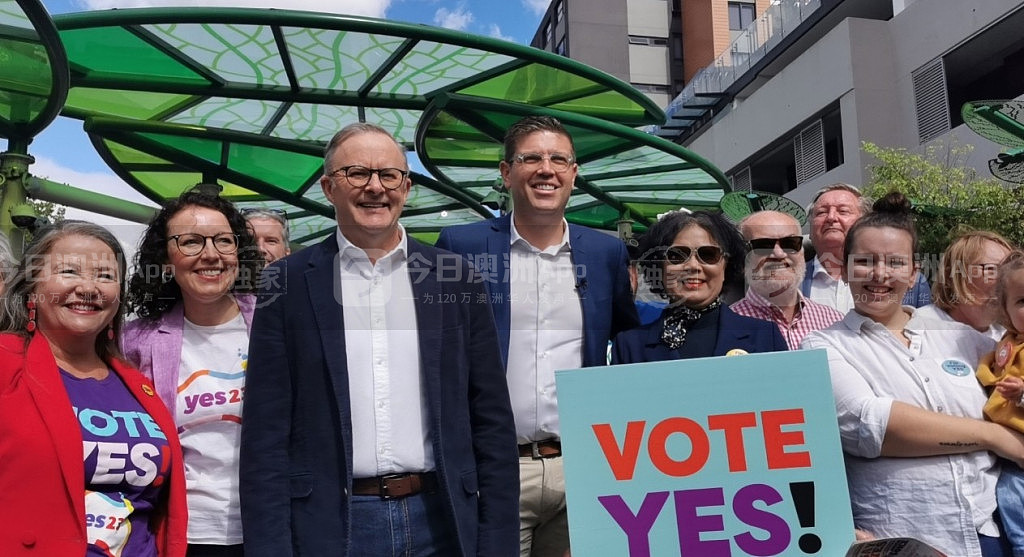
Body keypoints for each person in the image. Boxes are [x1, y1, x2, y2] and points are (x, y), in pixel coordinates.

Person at [239, 122, 519, 556]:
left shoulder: (455, 277)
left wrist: (496, 541)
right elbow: (266, 434)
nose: (375, 187)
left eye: (389, 175)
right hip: (336, 524)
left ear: (406, 188)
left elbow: (491, 419)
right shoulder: (288, 283)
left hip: (441, 518)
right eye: (358, 173)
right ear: (329, 187)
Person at [435, 115, 638, 557]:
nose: (547, 169)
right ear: (506, 172)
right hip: (494, 467)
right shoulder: (461, 246)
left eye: (559, 159)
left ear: (574, 174)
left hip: (581, 466)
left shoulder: (605, 252)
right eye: (531, 158)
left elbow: (628, 336)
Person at [802, 192, 1022, 556]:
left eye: (895, 262)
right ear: (843, 267)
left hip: (989, 535)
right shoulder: (823, 346)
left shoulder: (963, 339)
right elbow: (873, 426)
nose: (879, 274)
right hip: (900, 537)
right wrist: (996, 437)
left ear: (914, 271)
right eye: (865, 261)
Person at [0, 221, 187, 557]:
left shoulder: (138, 385)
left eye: (105, 275)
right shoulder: (5, 365)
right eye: (69, 271)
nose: (88, 288)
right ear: (32, 288)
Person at [122, 190, 263, 557]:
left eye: (223, 241)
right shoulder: (135, 342)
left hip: (269, 526)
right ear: (166, 260)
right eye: (191, 242)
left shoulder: (273, 323)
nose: (211, 254)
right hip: (183, 533)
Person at [611, 210, 787, 364]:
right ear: (659, 267)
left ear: (727, 266)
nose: (693, 266)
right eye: (677, 255)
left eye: (708, 255)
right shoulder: (629, 345)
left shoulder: (765, 336)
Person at [802, 183, 930, 311]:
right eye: (822, 212)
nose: (831, 217)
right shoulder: (791, 281)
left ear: (865, 222)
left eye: (843, 211)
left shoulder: (913, 281)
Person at [730, 210, 842, 350]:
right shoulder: (724, 327)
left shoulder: (834, 321)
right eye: (764, 245)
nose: (779, 253)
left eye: (790, 243)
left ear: (801, 251)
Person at [977, 250, 1024, 555]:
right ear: (1006, 311)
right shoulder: (1006, 342)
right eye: (1023, 302)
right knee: (1012, 508)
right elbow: (988, 368)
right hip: (1010, 458)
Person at [917, 230, 1013, 343]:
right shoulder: (917, 329)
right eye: (991, 269)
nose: (1005, 280)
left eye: (1009, 271)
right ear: (951, 276)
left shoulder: (1009, 339)